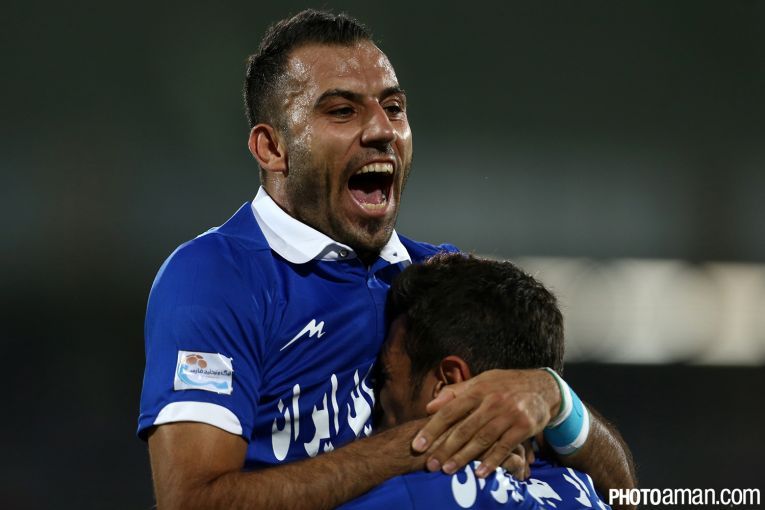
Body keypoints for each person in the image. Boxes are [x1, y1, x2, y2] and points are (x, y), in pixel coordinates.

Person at [137, 9, 635, 510]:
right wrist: (418, 446)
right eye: (341, 111)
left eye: (393, 108)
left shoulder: (439, 279)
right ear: (272, 148)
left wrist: (558, 401)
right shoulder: (216, 277)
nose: (382, 129)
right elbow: (191, 501)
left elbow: (624, 496)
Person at [339, 253, 619, 509]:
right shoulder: (582, 485)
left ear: (447, 383)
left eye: (385, 377)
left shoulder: (431, 492)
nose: (374, 403)